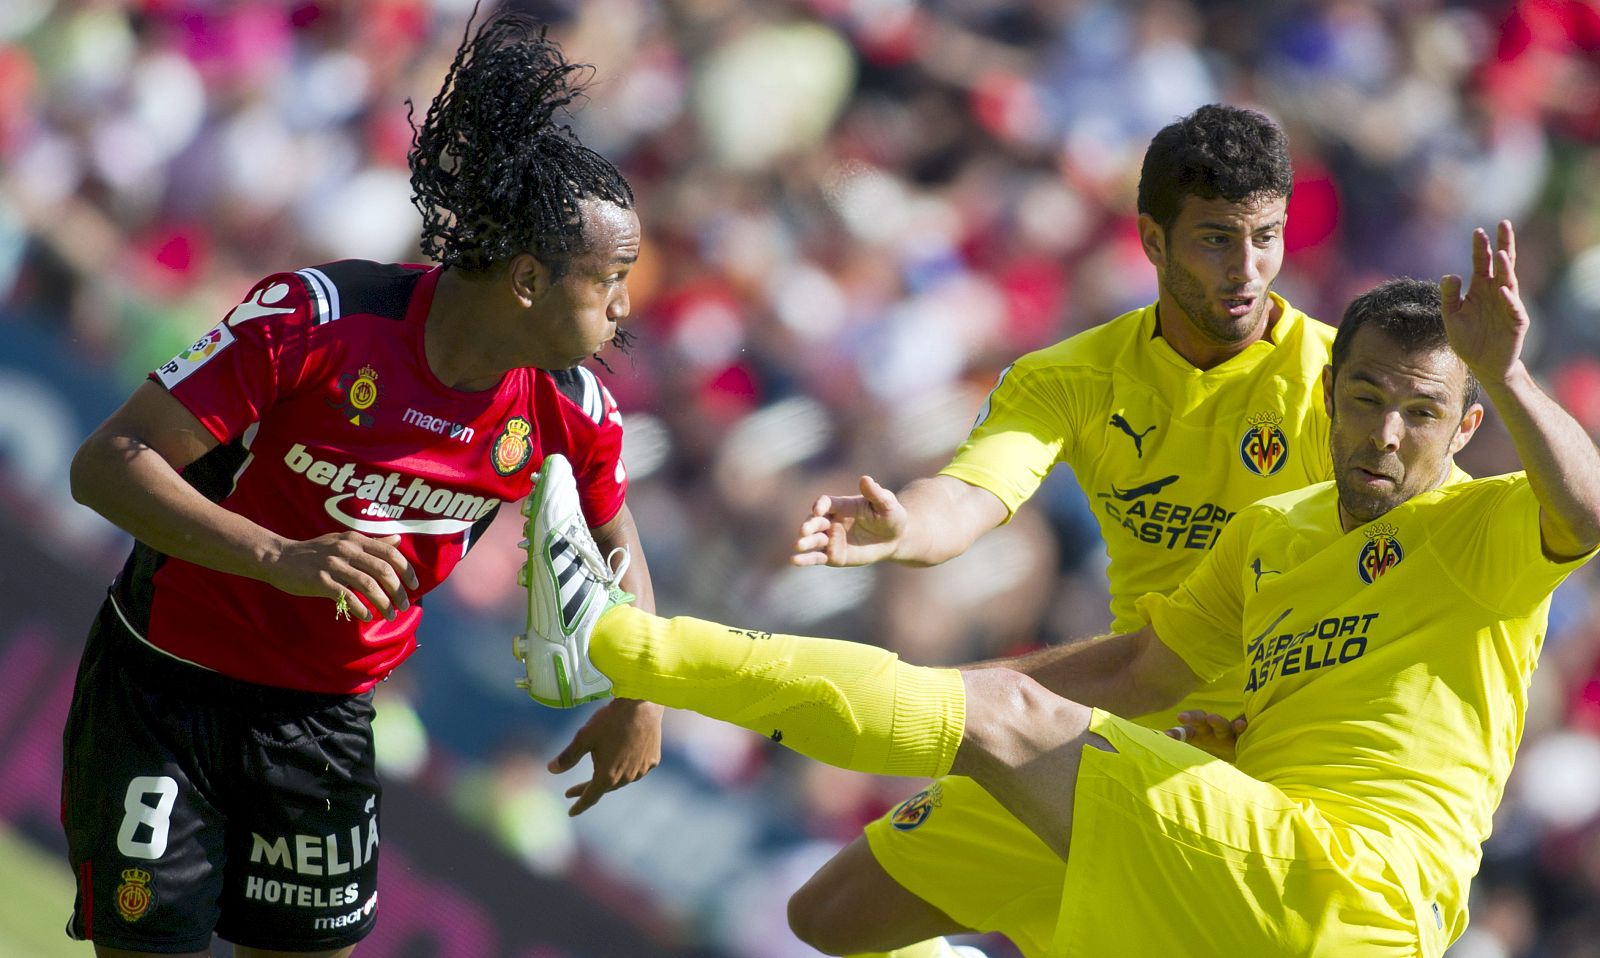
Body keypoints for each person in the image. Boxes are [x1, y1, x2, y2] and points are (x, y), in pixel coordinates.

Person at [517, 221, 1600, 957]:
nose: (1387, 433)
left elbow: (1590, 516)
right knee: (838, 914)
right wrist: (937, 709)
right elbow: (1138, 669)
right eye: (1366, 399)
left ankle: (608, 641)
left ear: (1467, 425)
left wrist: (1508, 370)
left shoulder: (1481, 526)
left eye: (1422, 411)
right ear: (1329, 396)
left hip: (1349, 889)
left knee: (1001, 717)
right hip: (1238, 852)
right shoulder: (1275, 530)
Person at [61, 12, 659, 957]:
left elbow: (618, 540)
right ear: (528, 281)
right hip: (169, 684)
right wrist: (279, 557)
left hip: (326, 720)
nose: (626, 306)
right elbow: (107, 462)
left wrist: (641, 694)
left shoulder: (573, 407)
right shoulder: (317, 320)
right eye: (612, 277)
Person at [788, 104, 1332, 956]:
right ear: (1152, 241)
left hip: (1270, 752)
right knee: (832, 917)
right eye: (1216, 239)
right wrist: (907, 525)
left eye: (1266, 237)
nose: (1247, 268)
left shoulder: (1339, 387)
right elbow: (972, 491)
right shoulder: (1072, 377)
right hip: (1125, 712)